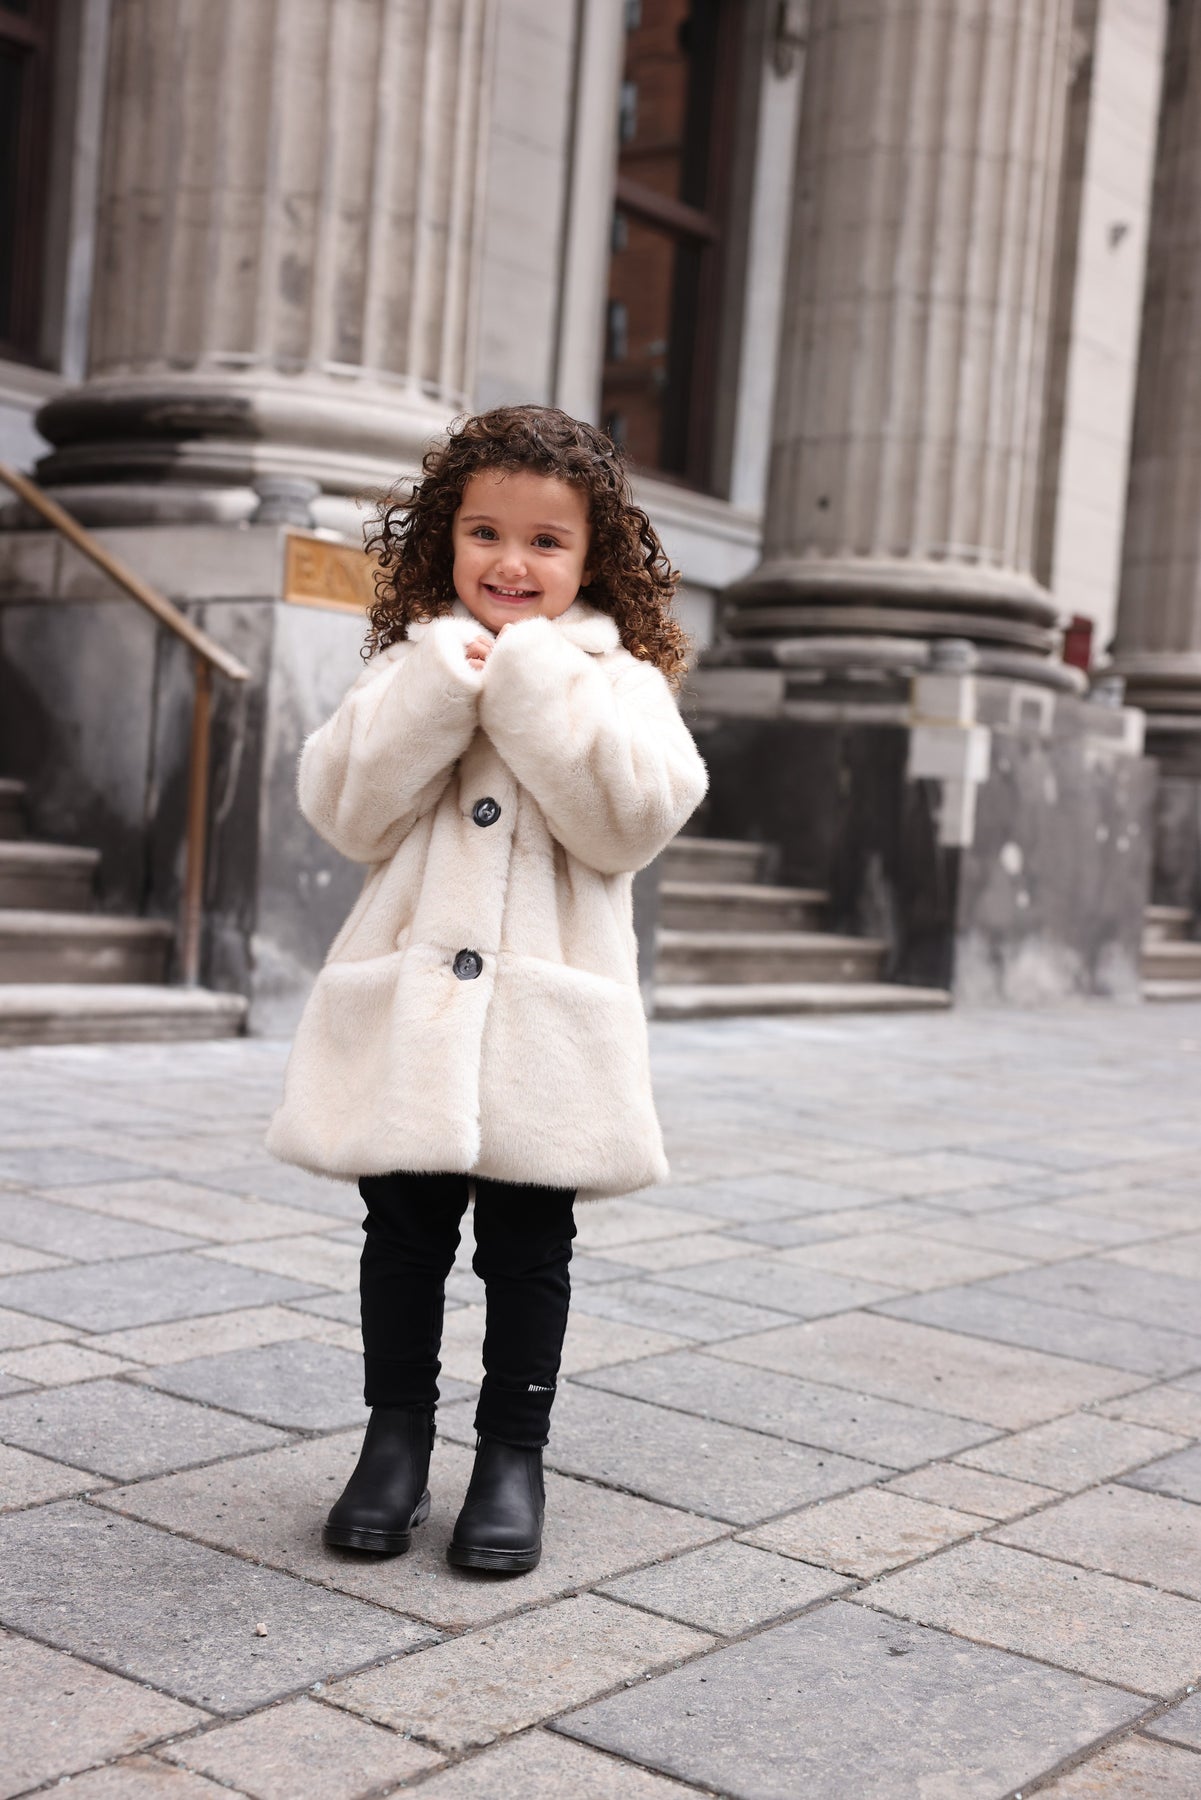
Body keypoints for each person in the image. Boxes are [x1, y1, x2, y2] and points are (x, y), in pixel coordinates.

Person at [267, 404, 708, 1574]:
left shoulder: (620, 683)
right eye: (485, 533)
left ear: (591, 557)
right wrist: (437, 694)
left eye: (546, 541)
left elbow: (629, 823)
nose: (512, 563)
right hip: (417, 1015)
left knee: (527, 1248)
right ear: (446, 540)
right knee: (402, 1235)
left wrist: (531, 685)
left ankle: (513, 1457)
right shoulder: (414, 666)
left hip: (542, 1022)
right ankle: (394, 1442)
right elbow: (344, 810)